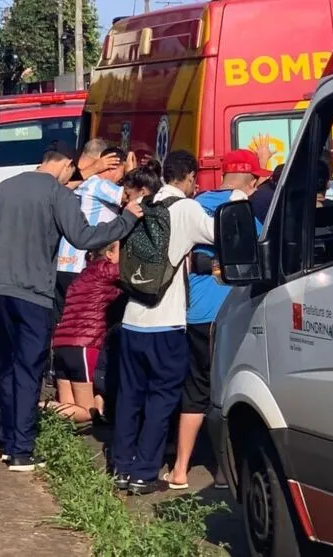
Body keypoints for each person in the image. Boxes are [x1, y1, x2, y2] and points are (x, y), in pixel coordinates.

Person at [0, 141, 143, 472]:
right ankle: (20, 450)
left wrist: (2, 242)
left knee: (6, 364)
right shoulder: (58, 194)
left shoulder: (6, 187)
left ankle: (6, 439)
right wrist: (127, 220)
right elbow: (85, 238)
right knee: (29, 369)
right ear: (67, 165)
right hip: (33, 295)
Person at [112, 150, 215, 495]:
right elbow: (221, 235)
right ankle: (144, 473)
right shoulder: (185, 208)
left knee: (129, 397)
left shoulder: (144, 202)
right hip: (166, 324)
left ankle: (121, 468)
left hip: (131, 320)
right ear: (188, 178)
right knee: (161, 399)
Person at [164, 150, 268, 491]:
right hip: (221, 316)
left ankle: (180, 469)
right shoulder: (241, 213)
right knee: (225, 392)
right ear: (252, 181)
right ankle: (225, 471)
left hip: (188, 311)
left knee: (193, 390)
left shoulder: (193, 203)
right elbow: (260, 253)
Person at [46, 242, 125, 423]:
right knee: (89, 412)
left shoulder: (83, 275)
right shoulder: (108, 271)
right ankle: (31, 407)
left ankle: (31, 408)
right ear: (109, 254)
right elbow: (138, 276)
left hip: (61, 344)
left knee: (69, 412)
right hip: (84, 345)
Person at [55, 145, 128, 321]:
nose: (121, 179)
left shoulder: (81, 183)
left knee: (63, 320)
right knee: (84, 320)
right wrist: (133, 172)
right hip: (82, 265)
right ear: (112, 167)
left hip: (63, 264)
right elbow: (130, 197)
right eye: (122, 172)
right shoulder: (100, 185)